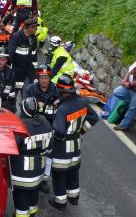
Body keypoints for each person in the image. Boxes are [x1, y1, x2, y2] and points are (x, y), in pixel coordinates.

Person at [49, 74, 99, 211]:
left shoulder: (62, 109)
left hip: (62, 147)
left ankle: (60, 202)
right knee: (73, 171)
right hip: (76, 143)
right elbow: (94, 118)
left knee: (59, 174)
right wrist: (81, 131)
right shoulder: (82, 102)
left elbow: (58, 130)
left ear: (62, 92)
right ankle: (74, 197)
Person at [11, 97, 53, 217]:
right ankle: (33, 212)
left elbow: (13, 148)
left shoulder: (20, 125)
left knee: (21, 199)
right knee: (34, 192)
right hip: (39, 168)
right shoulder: (46, 122)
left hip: (22, 172)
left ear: (24, 110)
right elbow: (49, 148)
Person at [22, 64, 60, 193]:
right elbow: (25, 108)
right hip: (34, 126)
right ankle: (30, 176)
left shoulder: (56, 90)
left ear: (50, 78)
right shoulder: (30, 90)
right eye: (42, 77)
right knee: (32, 153)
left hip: (50, 126)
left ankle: (44, 180)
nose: (44, 80)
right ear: (38, 77)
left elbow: (65, 106)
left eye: (47, 77)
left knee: (49, 154)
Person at [8, 17, 39, 95]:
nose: (37, 29)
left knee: (26, 98)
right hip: (16, 74)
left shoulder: (33, 39)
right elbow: (10, 55)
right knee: (12, 95)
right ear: (30, 28)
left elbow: (34, 57)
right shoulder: (16, 37)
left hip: (28, 74)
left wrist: (35, 74)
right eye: (35, 27)